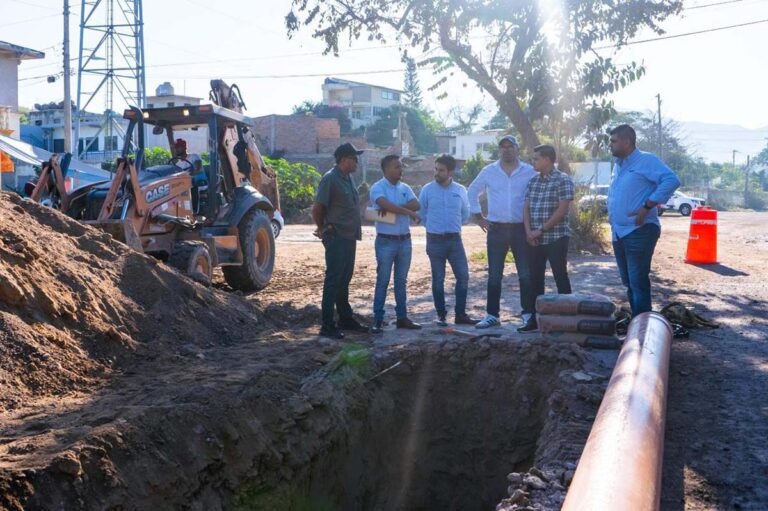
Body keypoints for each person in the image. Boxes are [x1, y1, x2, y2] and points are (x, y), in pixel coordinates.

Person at [608, 124, 680, 316]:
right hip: (619, 232)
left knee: (638, 281)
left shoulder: (646, 160)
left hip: (639, 231)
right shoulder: (619, 165)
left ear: (627, 142)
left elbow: (671, 180)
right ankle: (638, 324)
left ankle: (643, 329)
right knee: (629, 282)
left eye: (614, 141)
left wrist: (648, 205)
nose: (610, 146)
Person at [468, 135, 537, 329]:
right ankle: (492, 315)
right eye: (502, 147)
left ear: (517, 149)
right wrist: (478, 216)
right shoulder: (489, 171)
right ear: (499, 150)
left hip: (520, 229)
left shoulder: (529, 171)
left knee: (525, 274)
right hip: (496, 229)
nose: (506, 150)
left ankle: (528, 314)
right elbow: (472, 192)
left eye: (510, 146)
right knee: (494, 275)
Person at [312, 142, 369, 339]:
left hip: (349, 236)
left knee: (344, 279)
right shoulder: (330, 179)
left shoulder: (347, 178)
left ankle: (345, 319)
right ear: (344, 160)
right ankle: (327, 326)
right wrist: (323, 228)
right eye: (354, 159)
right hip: (336, 237)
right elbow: (318, 207)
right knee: (333, 280)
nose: (357, 162)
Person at [520, 144, 575, 332]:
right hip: (534, 238)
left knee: (560, 275)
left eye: (536, 158)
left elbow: (562, 210)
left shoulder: (563, 180)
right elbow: (526, 208)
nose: (533, 162)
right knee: (534, 279)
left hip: (556, 237)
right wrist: (528, 232)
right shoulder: (533, 181)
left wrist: (540, 230)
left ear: (547, 159)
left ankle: (568, 320)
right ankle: (534, 320)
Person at [419, 154, 478, 327]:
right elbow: (422, 213)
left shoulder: (460, 190)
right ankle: (441, 315)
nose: (437, 173)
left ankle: (460, 314)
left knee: (463, 276)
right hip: (434, 240)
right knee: (438, 279)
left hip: (455, 241)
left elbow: (465, 214)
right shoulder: (427, 190)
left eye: (441, 170)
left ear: (450, 172)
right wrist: (433, 227)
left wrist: (452, 226)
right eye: (436, 169)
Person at [369, 155, 422, 334]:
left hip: (404, 240)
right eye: (397, 167)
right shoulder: (377, 187)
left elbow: (417, 203)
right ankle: (378, 319)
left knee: (401, 281)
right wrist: (406, 211)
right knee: (382, 281)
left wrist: (398, 209)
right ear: (386, 169)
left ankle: (402, 318)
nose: (401, 170)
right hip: (385, 241)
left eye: (401, 167)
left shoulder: (405, 188)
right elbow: (383, 204)